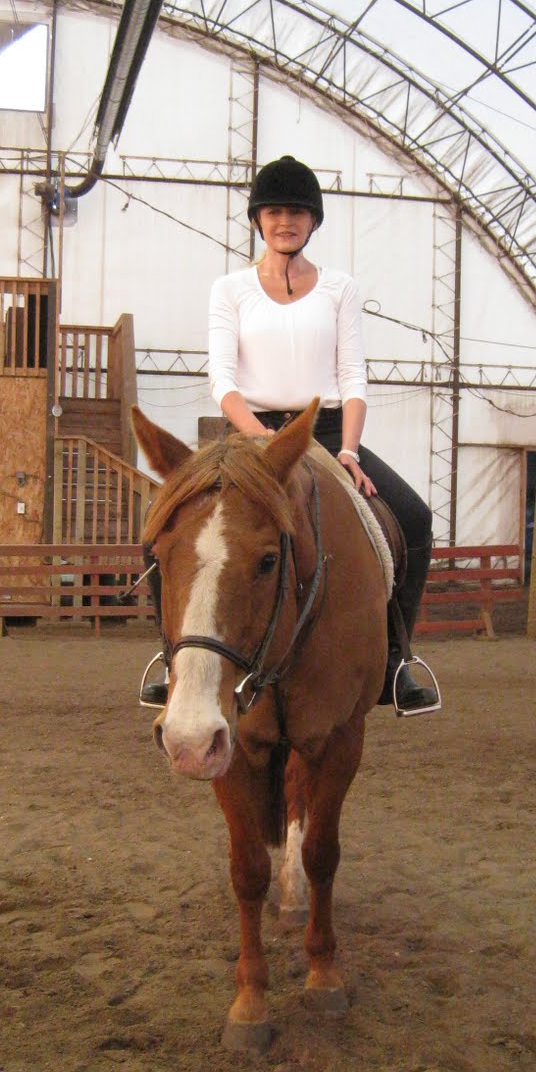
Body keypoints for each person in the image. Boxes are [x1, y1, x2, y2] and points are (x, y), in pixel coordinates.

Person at [144, 154, 439, 713]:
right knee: (160, 530)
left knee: (414, 519)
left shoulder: (340, 288)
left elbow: (352, 375)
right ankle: (172, 661)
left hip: (325, 431)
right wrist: (262, 441)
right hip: (249, 434)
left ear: (313, 221)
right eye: (275, 212)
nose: (286, 221)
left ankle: (396, 662)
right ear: (259, 219)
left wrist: (348, 449)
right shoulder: (230, 288)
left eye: (298, 213)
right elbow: (222, 378)